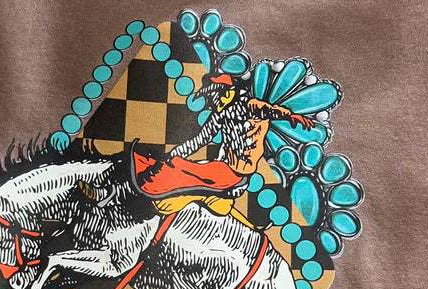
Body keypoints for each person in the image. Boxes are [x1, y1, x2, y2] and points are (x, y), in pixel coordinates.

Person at [132, 72, 313, 226]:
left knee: (183, 170)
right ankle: (153, 178)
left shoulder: (249, 106)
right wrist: (172, 155)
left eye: (212, 97)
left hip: (236, 173)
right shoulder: (221, 113)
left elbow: (267, 109)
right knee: (181, 166)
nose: (210, 103)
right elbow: (201, 139)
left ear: (226, 93)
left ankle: (152, 185)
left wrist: (290, 115)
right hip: (221, 167)